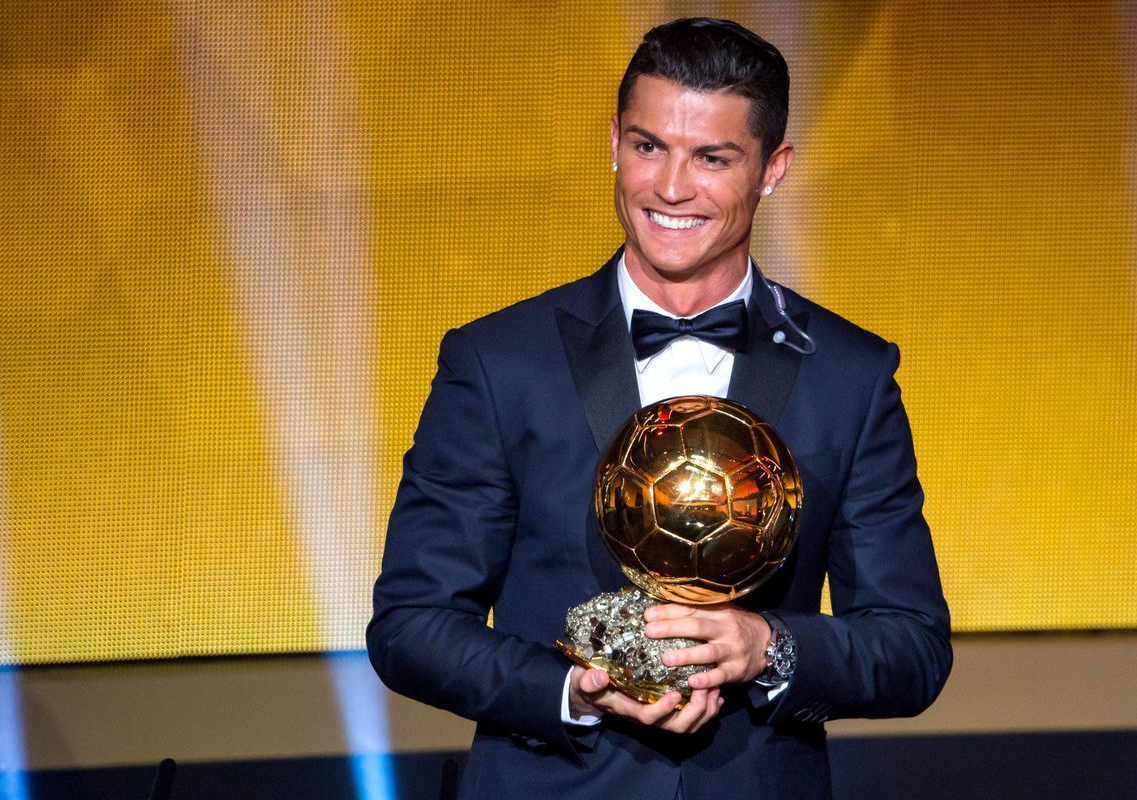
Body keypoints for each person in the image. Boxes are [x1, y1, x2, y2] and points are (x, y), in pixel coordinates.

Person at [367, 17, 952, 800]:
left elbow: (910, 646)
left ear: (772, 168)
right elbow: (411, 625)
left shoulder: (850, 375)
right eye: (649, 146)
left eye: (712, 158)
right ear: (614, 140)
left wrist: (768, 647)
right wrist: (572, 692)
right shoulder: (498, 362)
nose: (671, 187)